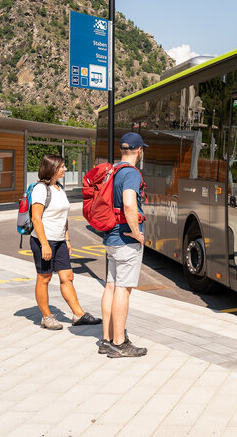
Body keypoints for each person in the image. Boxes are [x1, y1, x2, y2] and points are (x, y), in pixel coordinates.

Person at [31, 154, 101, 330]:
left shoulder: (59, 188)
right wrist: (45, 244)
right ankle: (46, 317)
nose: (65, 169)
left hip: (60, 240)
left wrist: (67, 238)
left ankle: (78, 314)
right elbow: (36, 219)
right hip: (43, 240)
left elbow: (64, 217)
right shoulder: (40, 189)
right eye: (62, 166)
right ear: (52, 168)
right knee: (44, 277)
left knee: (67, 276)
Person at [100, 132, 148, 358]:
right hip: (126, 240)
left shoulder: (113, 171)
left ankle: (106, 340)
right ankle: (119, 343)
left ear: (122, 150)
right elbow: (129, 204)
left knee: (111, 286)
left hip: (111, 237)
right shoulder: (131, 174)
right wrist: (137, 233)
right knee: (123, 290)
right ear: (139, 150)